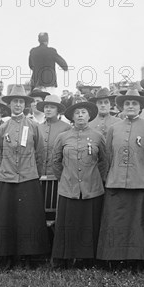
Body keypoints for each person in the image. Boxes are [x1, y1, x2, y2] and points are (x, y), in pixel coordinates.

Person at [97, 88, 144, 268]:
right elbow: (108, 156)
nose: (131, 106)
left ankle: (139, 259)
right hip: (116, 182)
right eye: (127, 104)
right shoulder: (113, 129)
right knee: (117, 222)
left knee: (139, 223)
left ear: (140, 107)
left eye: (134, 103)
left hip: (142, 183)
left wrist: (142, 173)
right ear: (122, 107)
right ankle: (115, 259)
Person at [0, 85, 49, 269]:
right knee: (7, 218)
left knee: (28, 218)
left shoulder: (33, 126)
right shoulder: (3, 127)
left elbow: (40, 152)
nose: (17, 105)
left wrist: (34, 173)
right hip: (7, 178)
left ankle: (29, 257)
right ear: (8, 105)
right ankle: (8, 257)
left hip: (28, 178)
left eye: (20, 101)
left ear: (25, 105)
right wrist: (6, 171)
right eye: (14, 101)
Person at [51, 101, 107, 266]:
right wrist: (66, 178)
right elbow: (56, 161)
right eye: (77, 113)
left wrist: (96, 178)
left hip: (92, 188)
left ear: (89, 116)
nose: (80, 115)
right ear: (72, 117)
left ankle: (88, 259)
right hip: (69, 187)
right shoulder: (63, 137)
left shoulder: (98, 136)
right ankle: (66, 259)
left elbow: (104, 161)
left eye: (83, 112)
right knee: (68, 224)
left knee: (89, 223)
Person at [36, 95, 71, 179]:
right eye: (46, 107)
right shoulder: (38, 127)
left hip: (58, 175)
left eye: (52, 107)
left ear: (57, 110)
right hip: (38, 174)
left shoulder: (66, 128)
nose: (48, 109)